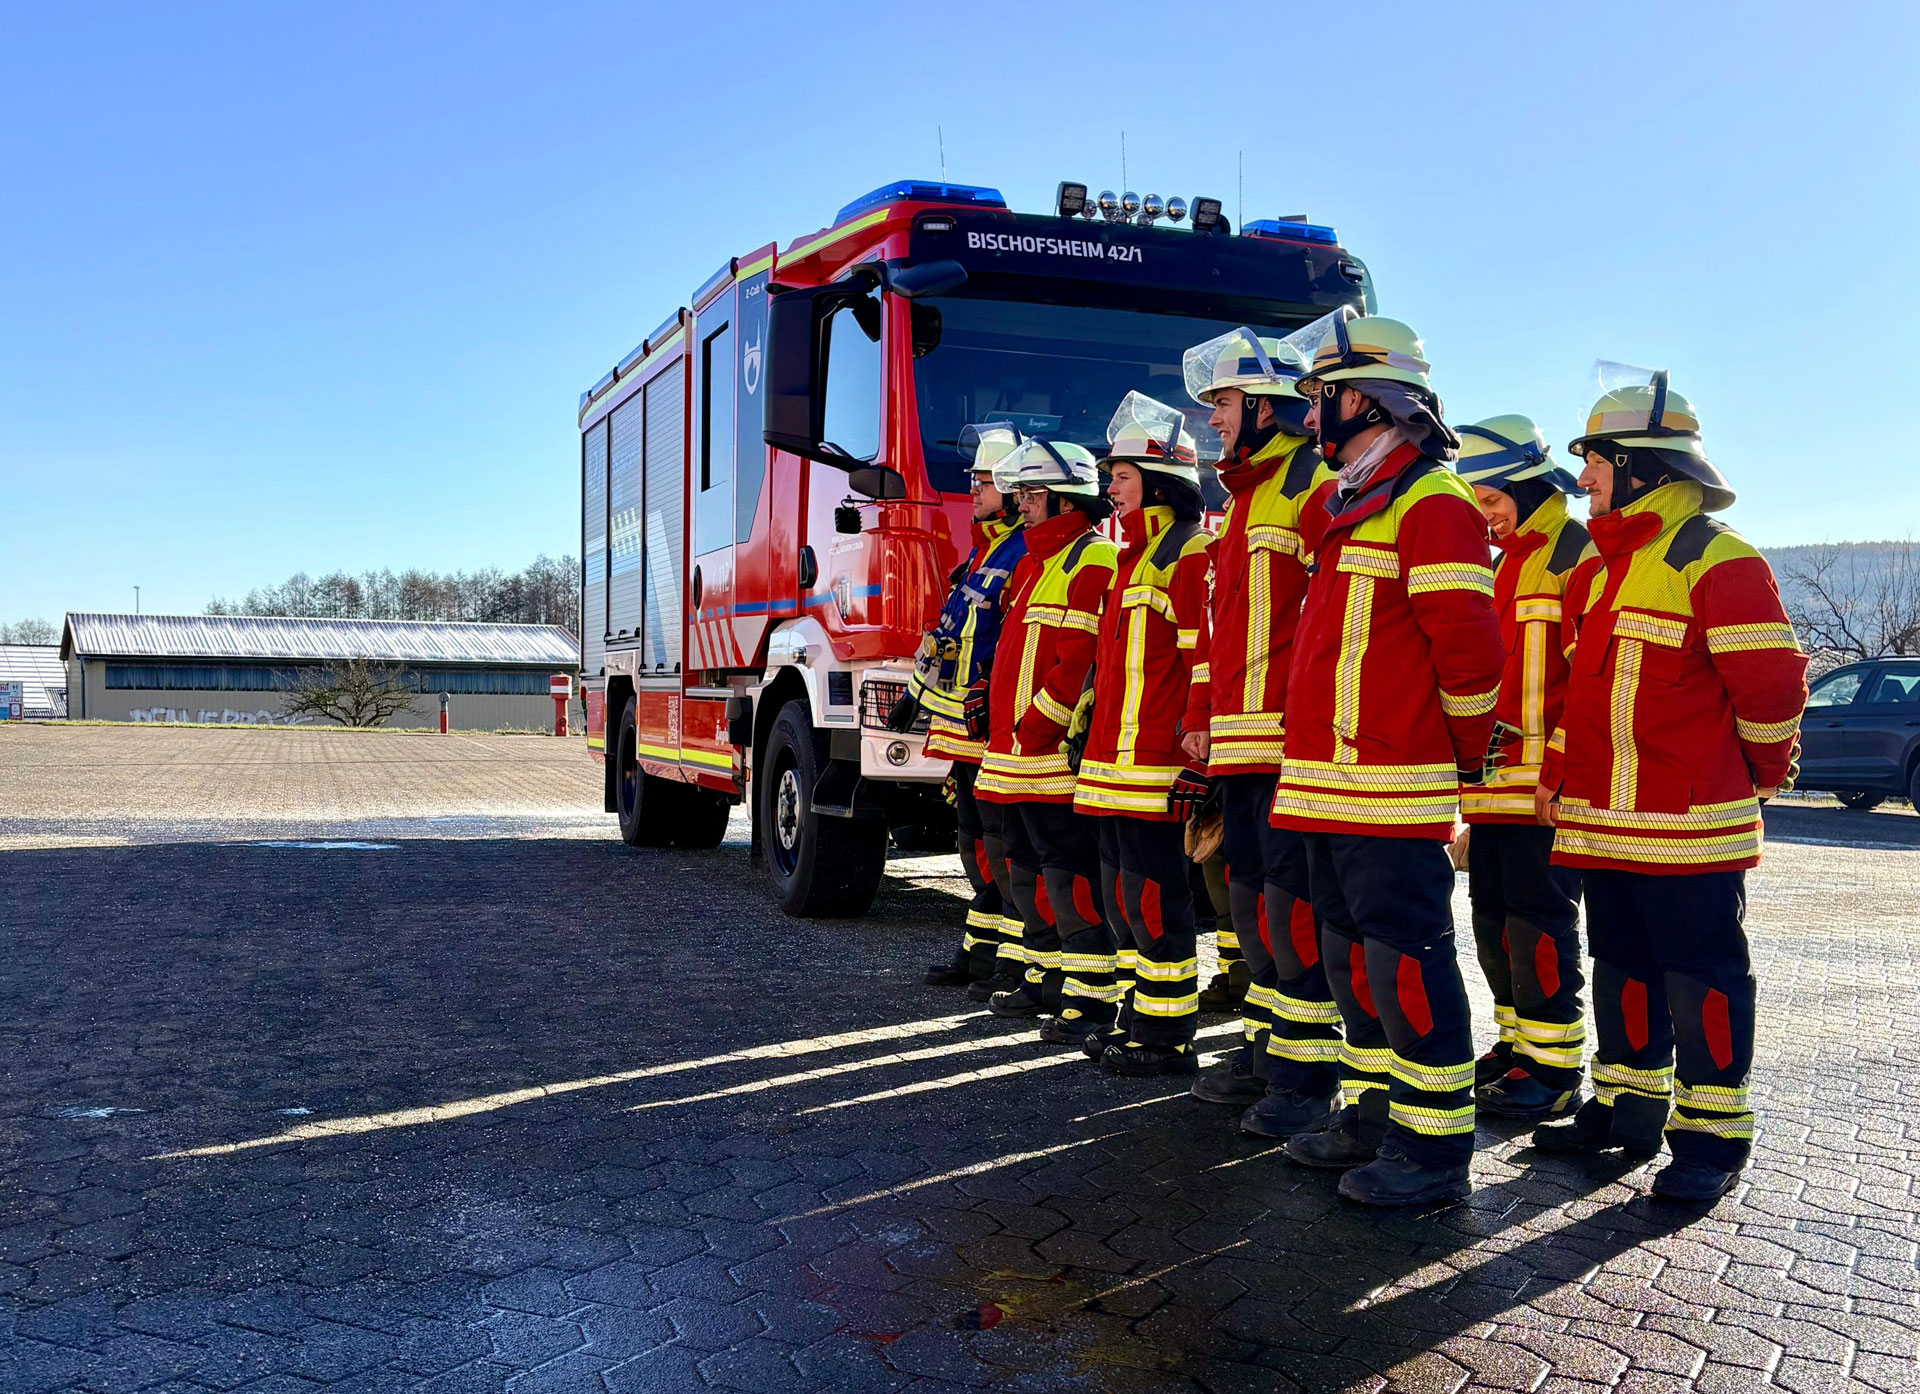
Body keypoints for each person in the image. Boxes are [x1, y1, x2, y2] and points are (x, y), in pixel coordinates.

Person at [1532, 369, 1806, 1202]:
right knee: (1622, 966)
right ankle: (1628, 1107)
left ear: (1645, 467)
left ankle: (1712, 1137)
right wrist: (1556, 776)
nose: (1583, 479)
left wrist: (1753, 779)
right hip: (1603, 823)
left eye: (1597, 462)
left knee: (1703, 976)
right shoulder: (1597, 572)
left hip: (1691, 827)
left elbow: (1772, 691)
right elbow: (1578, 697)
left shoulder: (1720, 560)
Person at [1268, 308, 1505, 1205]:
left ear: (1364, 401)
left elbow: (1472, 660)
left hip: (1390, 791)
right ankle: (1372, 1116)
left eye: (1321, 396)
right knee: (1351, 962)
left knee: (1405, 962)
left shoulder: (1433, 503)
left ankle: (1436, 1150)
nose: (1310, 414)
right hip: (1326, 788)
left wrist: (1451, 755)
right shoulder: (1348, 506)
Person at [1177, 329, 1346, 1137]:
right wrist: (1202, 726)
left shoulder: (1312, 484)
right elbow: (1221, 631)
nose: (1213, 418)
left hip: (1289, 745)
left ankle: (1308, 1073)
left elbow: (1335, 624)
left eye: (1224, 402)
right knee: (1252, 905)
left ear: (1268, 407)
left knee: (1293, 907)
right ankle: (1267, 1045)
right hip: (1242, 745)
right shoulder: (1247, 496)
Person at [1453, 416, 1594, 1122]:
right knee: (1492, 926)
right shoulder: (1502, 564)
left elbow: (1591, 680)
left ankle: (1556, 1067)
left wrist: (1560, 774)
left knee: (1540, 926)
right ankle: (1515, 1049)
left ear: (1524, 483)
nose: (1485, 517)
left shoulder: (1577, 555)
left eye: (1490, 498)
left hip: (1543, 791)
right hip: (1490, 792)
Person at [1071, 393, 1215, 1076]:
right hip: (1116, 766)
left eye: (1122, 478)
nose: (1110, 491)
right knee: (1128, 898)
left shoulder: (1186, 553)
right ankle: (1139, 1017)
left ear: (1159, 483)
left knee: (1158, 898)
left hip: (1158, 764)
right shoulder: (1134, 558)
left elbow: (1201, 663)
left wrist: (1198, 753)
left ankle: (1168, 1036)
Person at [973, 438, 1121, 1043]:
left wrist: (1037, 724)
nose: (1022, 505)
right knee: (1029, 869)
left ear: (1065, 500)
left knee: (1070, 873)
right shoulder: (1037, 561)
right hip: (1017, 755)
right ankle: (1046, 976)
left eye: (1033, 495)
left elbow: (1077, 664)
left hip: (1051, 756)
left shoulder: (1093, 560)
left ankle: (1088, 998)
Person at [893, 425, 1028, 991]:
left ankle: (1014, 960)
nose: (972, 486)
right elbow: (948, 637)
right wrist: (912, 697)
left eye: (985, 479)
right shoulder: (984, 551)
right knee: (973, 843)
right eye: (973, 477)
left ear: (1016, 490)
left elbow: (1008, 645)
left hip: (991, 730)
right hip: (959, 732)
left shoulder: (1022, 551)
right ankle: (978, 950)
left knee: (1001, 845)